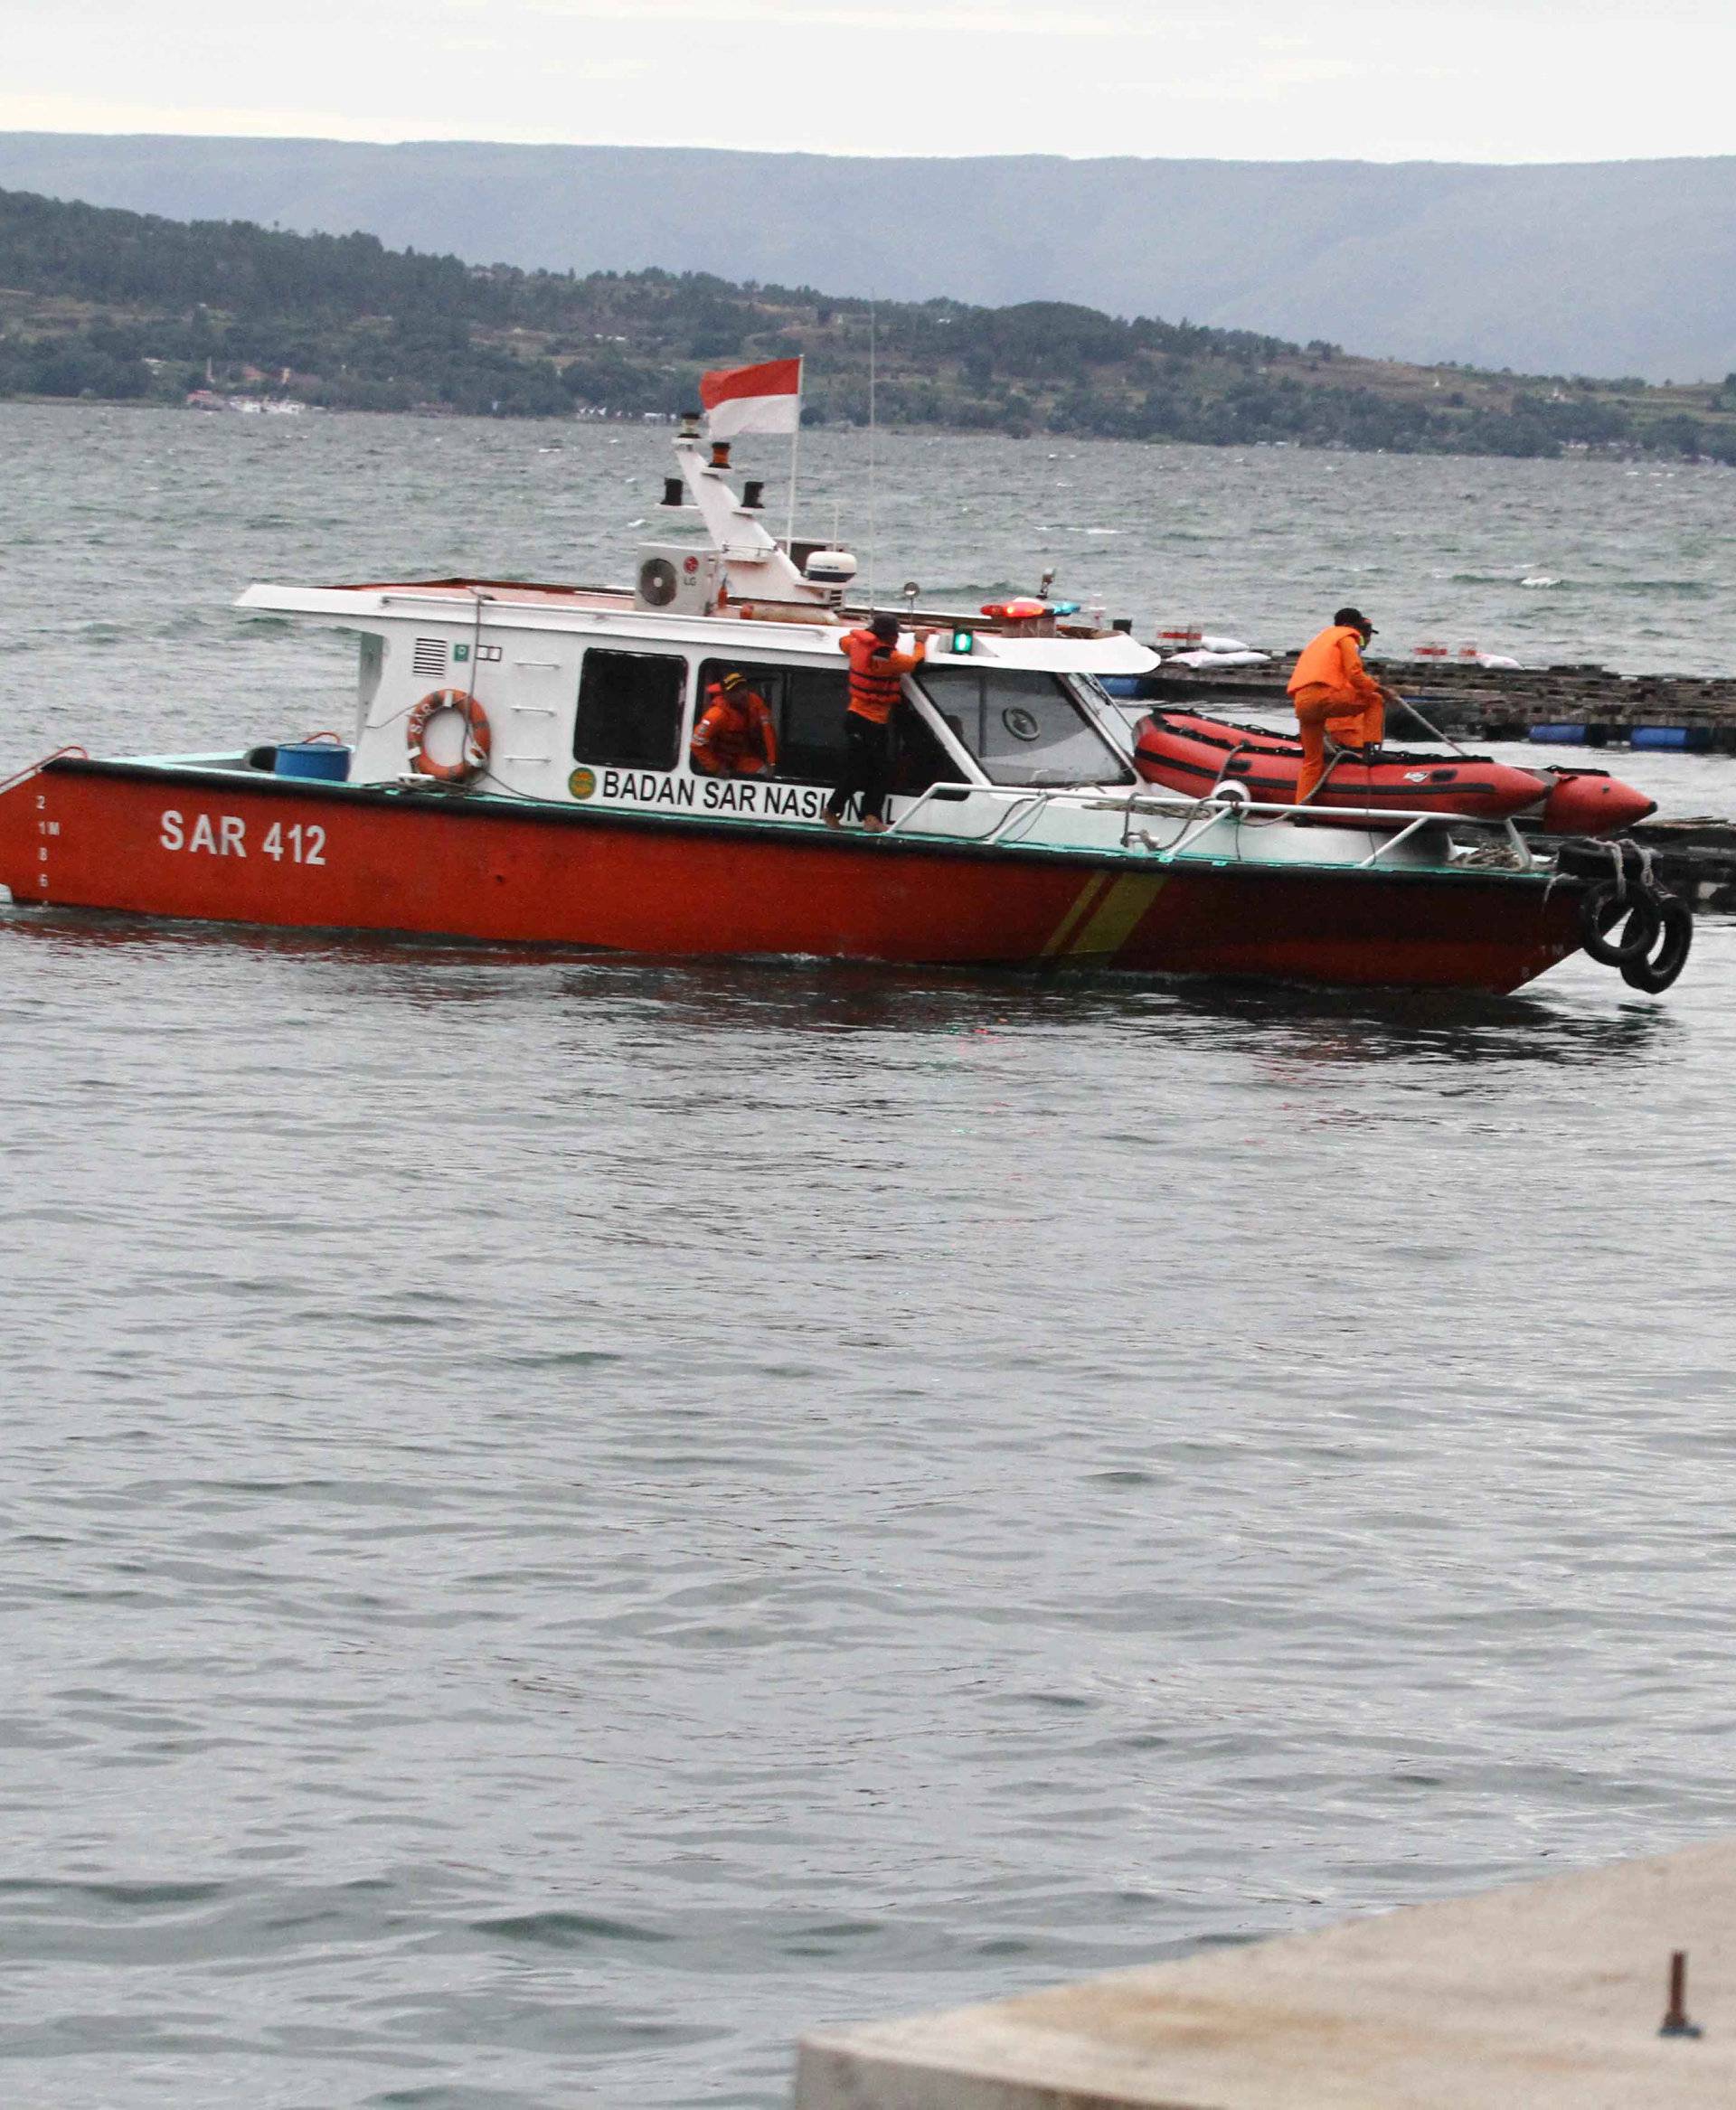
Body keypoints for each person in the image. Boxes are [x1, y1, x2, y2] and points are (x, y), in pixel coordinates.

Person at [825, 613, 939, 833]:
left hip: (858, 718)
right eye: (896, 635)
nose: (897, 639)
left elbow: (843, 642)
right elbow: (915, 663)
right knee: (863, 770)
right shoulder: (890, 658)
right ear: (890, 637)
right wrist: (920, 642)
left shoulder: (857, 645)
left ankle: (870, 817)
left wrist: (862, 638)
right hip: (869, 722)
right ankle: (833, 810)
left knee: (878, 770)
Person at [1287, 607, 1403, 804]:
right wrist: (1381, 689)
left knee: (1312, 762)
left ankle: (1301, 811)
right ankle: (1371, 751)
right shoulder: (1347, 638)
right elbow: (1354, 673)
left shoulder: (1321, 639)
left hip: (1302, 702)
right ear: (1354, 625)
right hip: (1325, 696)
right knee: (1374, 699)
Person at [691, 669, 777, 777]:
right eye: (735, 691)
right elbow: (696, 745)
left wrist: (772, 761)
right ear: (725, 695)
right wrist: (715, 768)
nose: (742, 693)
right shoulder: (716, 715)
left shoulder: (755, 702)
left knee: (764, 771)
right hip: (719, 761)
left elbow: (767, 730)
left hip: (741, 758)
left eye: (743, 687)